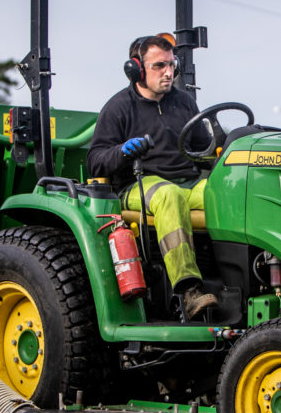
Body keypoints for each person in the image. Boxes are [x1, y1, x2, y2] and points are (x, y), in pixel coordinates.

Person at [87, 33, 218, 320]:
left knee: (227, 194)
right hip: (140, 183)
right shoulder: (119, 107)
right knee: (169, 196)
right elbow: (95, 160)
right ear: (136, 68)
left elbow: (203, 150)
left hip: (188, 181)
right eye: (159, 66)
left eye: (172, 65)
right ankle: (189, 291)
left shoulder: (184, 103)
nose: (169, 72)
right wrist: (122, 150)